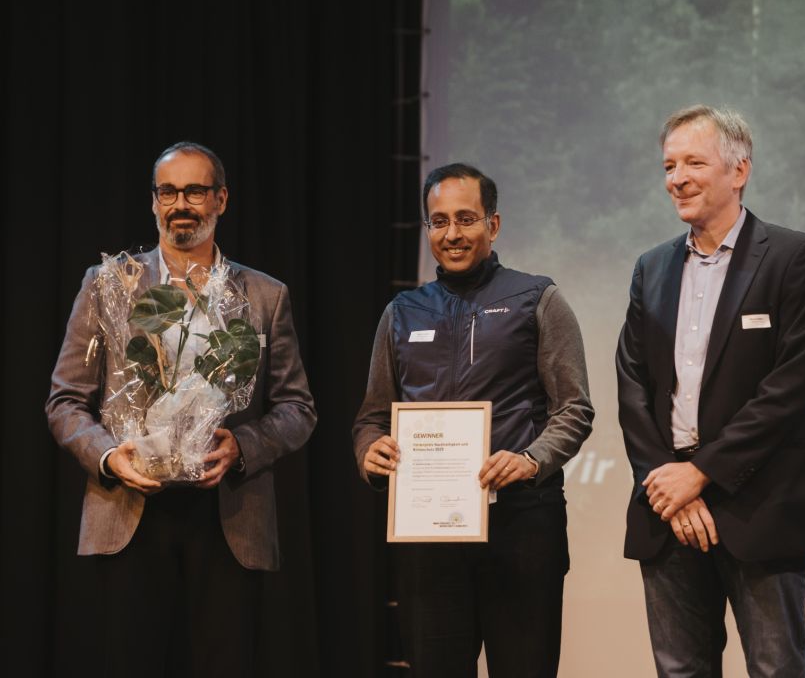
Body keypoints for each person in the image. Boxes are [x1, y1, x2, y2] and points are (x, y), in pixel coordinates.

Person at [46, 141, 316, 678]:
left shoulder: (265, 295)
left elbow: (297, 408)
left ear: (221, 200)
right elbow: (65, 401)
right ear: (153, 202)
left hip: (228, 515)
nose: (180, 205)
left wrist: (242, 446)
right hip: (129, 510)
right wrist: (109, 458)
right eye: (167, 192)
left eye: (194, 191)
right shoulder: (108, 285)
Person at [616, 105, 805, 677]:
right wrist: (670, 481)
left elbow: (790, 387)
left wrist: (702, 472)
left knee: (776, 668)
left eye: (693, 163)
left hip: (761, 503)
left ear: (739, 171)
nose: (677, 178)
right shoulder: (651, 267)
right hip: (667, 508)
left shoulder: (794, 257)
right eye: (669, 166)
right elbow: (632, 383)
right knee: (680, 671)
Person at [353, 163, 594, 678]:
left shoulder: (538, 299)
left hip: (522, 526)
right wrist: (369, 451)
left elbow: (574, 409)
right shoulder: (402, 312)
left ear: (493, 224)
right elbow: (371, 418)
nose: (452, 234)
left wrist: (531, 460)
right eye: (439, 222)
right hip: (429, 538)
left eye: (466, 219)